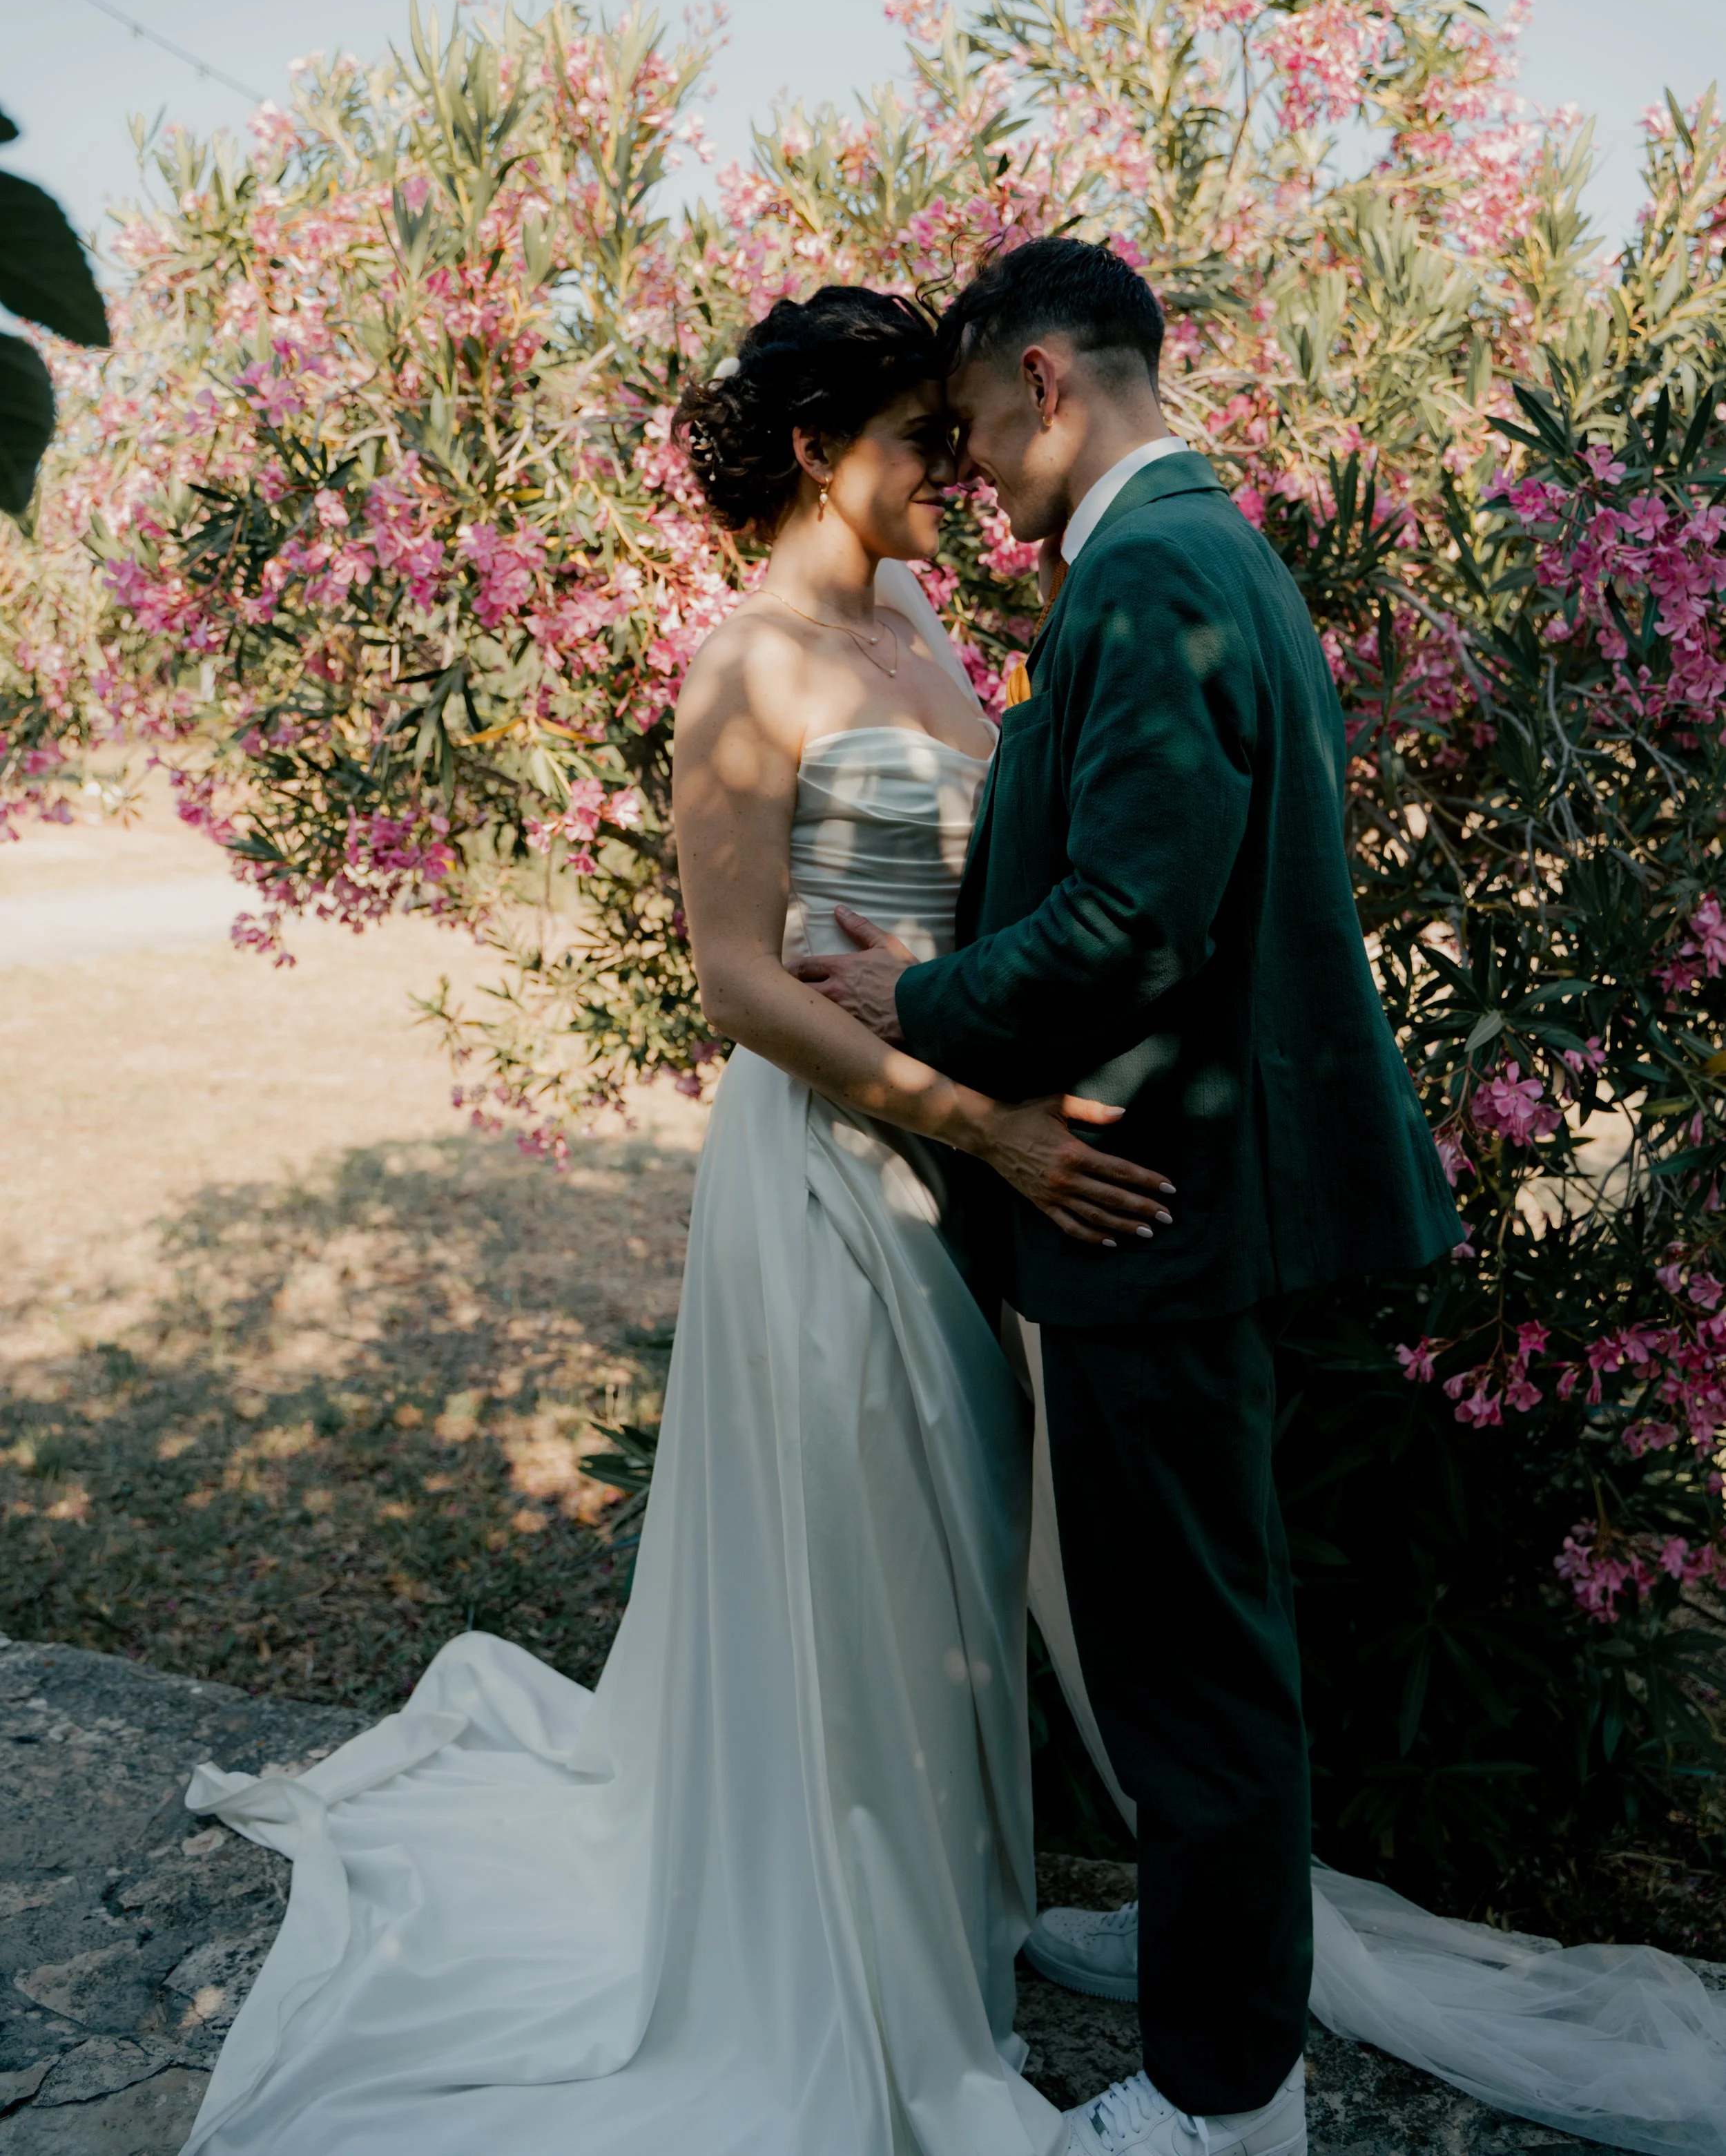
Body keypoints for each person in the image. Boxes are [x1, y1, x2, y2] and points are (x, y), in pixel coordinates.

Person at [171, 285, 1171, 2156]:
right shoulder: (752, 669)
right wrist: (986, 1122)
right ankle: (835, 1955)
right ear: (815, 451)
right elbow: (734, 981)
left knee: (951, 1563)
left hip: (974, 1168)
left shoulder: (918, 622)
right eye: (913, 443)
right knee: (866, 1553)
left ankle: (945, 1908)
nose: (951, 475)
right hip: (836, 1181)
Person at [795, 237, 1461, 2156]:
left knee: (1193, 1659)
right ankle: (1198, 1946)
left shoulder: (1152, 570)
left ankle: (1222, 2096)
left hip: (1149, 1199)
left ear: (1042, 382)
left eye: (978, 428)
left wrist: (908, 994)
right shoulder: (1209, 548)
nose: (977, 479)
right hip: (1177, 1180)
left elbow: (1130, 916)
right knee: (1186, 1627)